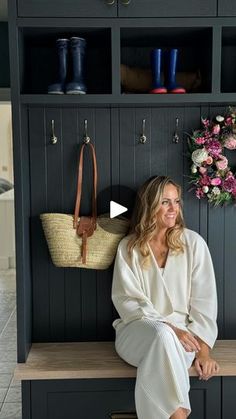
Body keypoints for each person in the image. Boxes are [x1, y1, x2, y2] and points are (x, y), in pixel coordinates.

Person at [111, 175, 219, 419]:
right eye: (165, 202)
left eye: (177, 201)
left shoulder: (194, 244)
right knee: (162, 334)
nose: (173, 209)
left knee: (166, 340)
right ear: (150, 206)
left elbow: (205, 303)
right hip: (136, 330)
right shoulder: (129, 247)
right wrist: (170, 328)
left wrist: (203, 351)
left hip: (185, 339)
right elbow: (127, 301)